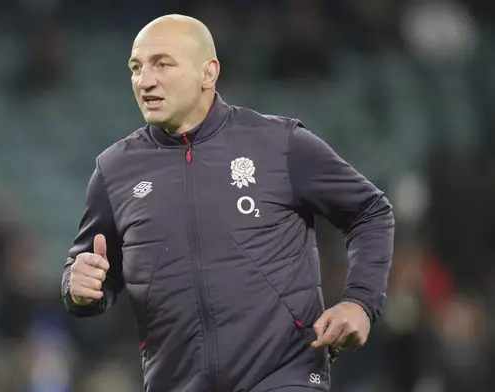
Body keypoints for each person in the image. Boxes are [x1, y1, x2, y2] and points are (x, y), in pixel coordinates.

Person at [61, 14, 395, 392]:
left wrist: (360, 303)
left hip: (284, 376)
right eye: (136, 68)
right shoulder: (115, 171)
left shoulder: (280, 144)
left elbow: (370, 212)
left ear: (208, 73)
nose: (145, 80)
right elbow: (88, 270)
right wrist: (80, 286)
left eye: (162, 64)